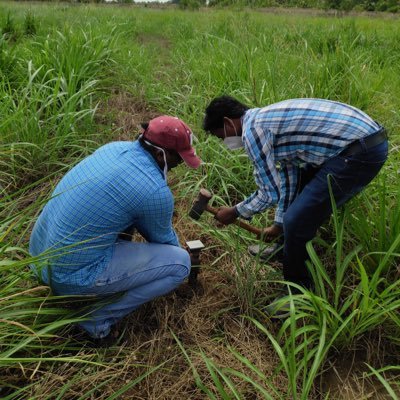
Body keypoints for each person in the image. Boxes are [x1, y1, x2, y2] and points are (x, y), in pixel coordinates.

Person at [203, 95, 388, 313]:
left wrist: (235, 212)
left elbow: (268, 194)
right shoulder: (265, 120)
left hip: (359, 152)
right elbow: (290, 177)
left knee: (297, 221)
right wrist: (279, 224)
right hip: (357, 143)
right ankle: (285, 249)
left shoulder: (254, 132)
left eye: (220, 136)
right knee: (294, 210)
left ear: (228, 123)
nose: (225, 142)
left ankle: (298, 293)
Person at [29, 116, 201, 341]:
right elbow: (165, 243)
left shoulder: (114, 148)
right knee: (179, 264)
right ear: (160, 154)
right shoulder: (154, 191)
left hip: (38, 256)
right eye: (177, 160)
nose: (177, 167)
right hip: (66, 276)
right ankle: (96, 319)